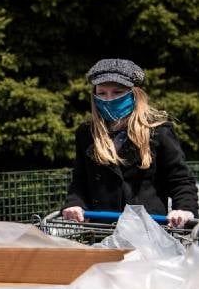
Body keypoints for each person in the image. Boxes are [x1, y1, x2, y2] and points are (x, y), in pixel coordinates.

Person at [62, 58, 197, 227]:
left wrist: (184, 209)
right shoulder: (87, 133)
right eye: (102, 93)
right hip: (102, 230)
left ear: (135, 94)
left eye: (117, 92)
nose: (109, 99)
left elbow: (180, 180)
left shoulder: (158, 132)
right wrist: (75, 204)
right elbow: (80, 181)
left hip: (149, 231)